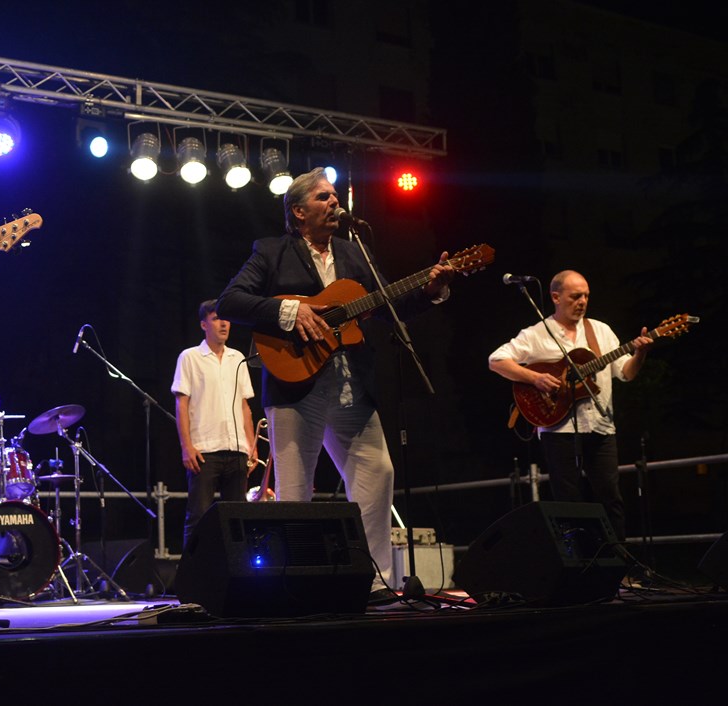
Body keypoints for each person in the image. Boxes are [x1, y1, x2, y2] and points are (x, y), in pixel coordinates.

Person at [217, 168, 455, 606]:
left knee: (378, 472)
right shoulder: (271, 251)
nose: (334, 202)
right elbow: (230, 301)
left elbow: (388, 304)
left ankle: (374, 582)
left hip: (352, 386)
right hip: (295, 384)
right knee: (295, 490)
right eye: (323, 197)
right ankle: (296, 585)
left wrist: (431, 289)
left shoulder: (353, 251)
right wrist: (291, 312)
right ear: (298, 211)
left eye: (334, 196)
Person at [489, 270, 653, 542]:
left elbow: (625, 373)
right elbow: (496, 360)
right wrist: (535, 378)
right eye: (575, 296)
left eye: (586, 296)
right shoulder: (537, 334)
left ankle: (617, 560)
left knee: (610, 497)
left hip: (601, 427)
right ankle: (578, 562)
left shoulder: (601, 331)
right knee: (569, 501)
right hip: (558, 429)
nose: (582, 302)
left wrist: (640, 354)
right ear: (556, 297)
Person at [172, 300, 258, 550]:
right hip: (204, 451)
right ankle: (192, 570)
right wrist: (186, 446)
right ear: (204, 324)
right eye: (217, 318)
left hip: (237, 449)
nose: (223, 324)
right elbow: (182, 405)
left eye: (226, 319)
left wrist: (251, 446)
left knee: (237, 518)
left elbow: (244, 406)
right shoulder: (190, 357)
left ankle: (236, 569)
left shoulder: (237, 358)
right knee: (198, 516)